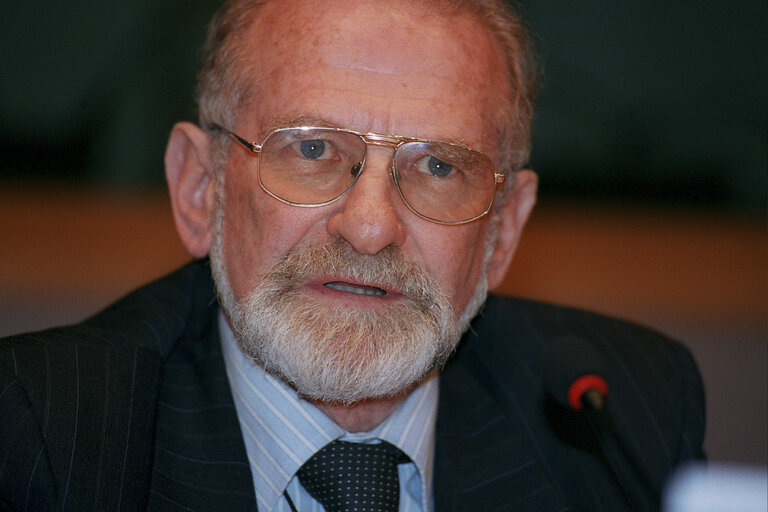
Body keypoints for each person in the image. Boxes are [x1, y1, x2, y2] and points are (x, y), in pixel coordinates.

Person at [0, 0, 705, 511]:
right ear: (199, 189)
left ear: (505, 230)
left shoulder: (623, 418)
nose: (370, 229)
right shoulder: (43, 432)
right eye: (311, 150)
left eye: (438, 167)